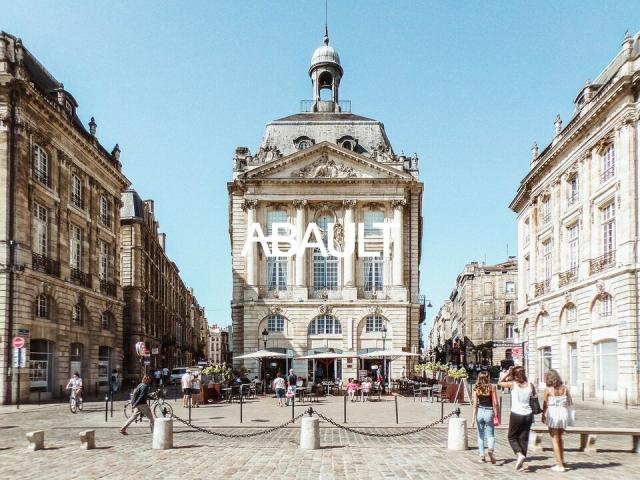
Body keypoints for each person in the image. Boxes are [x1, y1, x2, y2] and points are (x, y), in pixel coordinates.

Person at [498, 366, 537, 471]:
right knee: (523, 438)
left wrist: (508, 373)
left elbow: (499, 382)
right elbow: (534, 398)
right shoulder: (531, 385)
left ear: (514, 375)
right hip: (528, 414)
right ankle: (522, 461)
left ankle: (519, 455)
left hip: (516, 413)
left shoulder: (513, 384)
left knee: (511, 437)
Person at [542, 369, 572, 472]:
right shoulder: (565, 389)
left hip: (553, 413)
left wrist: (543, 415)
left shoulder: (548, 390)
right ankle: (561, 461)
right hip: (563, 413)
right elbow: (569, 402)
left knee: (554, 439)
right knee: (560, 437)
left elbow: (545, 404)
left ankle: (560, 465)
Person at [471, 371, 499, 464]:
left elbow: (475, 404)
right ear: (488, 377)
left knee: (480, 435)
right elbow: (495, 403)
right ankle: (490, 449)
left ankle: (482, 456)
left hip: (480, 412)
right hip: (489, 411)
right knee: (490, 434)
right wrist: (496, 414)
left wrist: (473, 419)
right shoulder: (491, 387)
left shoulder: (476, 388)